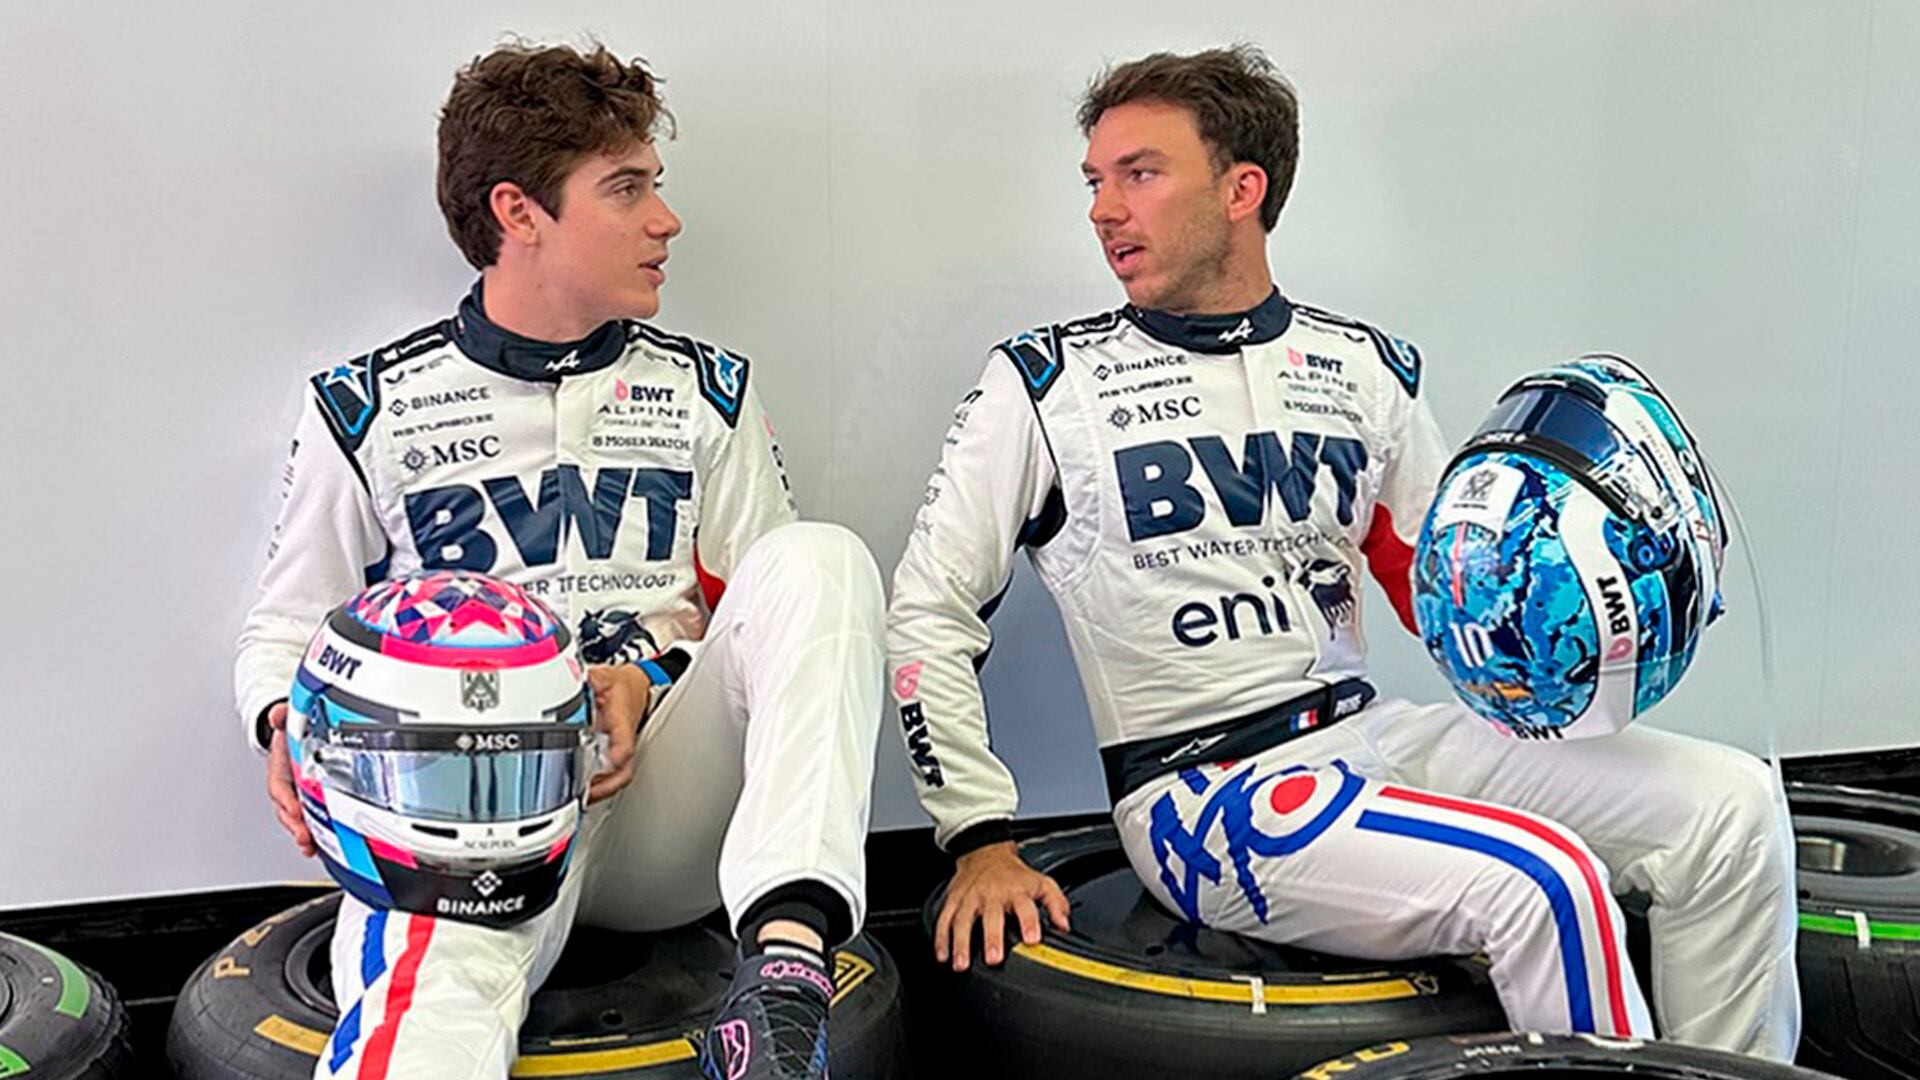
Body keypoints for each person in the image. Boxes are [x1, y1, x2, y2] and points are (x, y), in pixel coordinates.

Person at [886, 44, 1799, 1057]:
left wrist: (1586, 599)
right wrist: (978, 837)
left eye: (1139, 174)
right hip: (1202, 791)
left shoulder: (1362, 368)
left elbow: (1450, 595)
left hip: (1371, 740)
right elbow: (928, 611)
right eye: (1095, 181)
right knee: (1546, 882)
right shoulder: (1044, 383)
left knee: (1731, 806)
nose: (1104, 209)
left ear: (1242, 189)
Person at [234, 42, 883, 1080]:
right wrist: (281, 723)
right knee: (426, 1013)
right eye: (627, 190)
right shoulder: (365, 407)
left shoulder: (708, 391)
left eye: (655, 186)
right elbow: (285, 625)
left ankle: (785, 979)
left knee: (820, 559)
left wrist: (646, 678)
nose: (666, 220)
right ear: (518, 212)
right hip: (469, 811)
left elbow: (774, 628)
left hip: (664, 802)